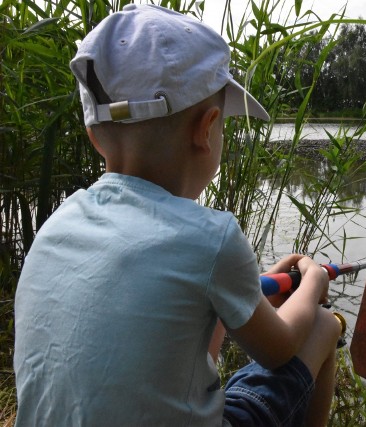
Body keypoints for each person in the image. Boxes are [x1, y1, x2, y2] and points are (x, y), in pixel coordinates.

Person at [13, 4, 341, 426]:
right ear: (206, 129)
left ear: (95, 137)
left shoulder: (57, 225)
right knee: (319, 324)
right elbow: (279, 350)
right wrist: (312, 284)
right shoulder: (212, 236)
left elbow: (177, 344)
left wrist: (241, 298)